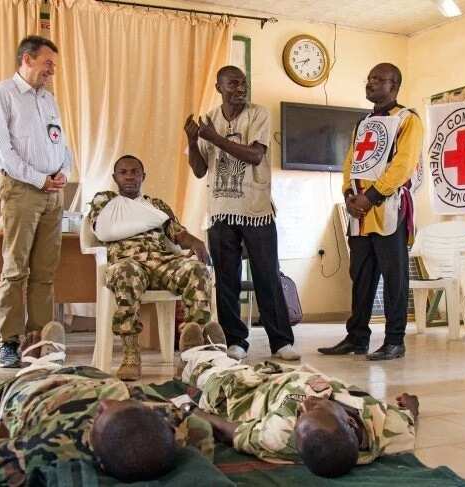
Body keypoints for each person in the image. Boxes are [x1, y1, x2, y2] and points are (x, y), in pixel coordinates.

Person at [0, 322, 214, 486]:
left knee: (33, 373)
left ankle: (39, 359)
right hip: (93, 379)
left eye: (103, 414)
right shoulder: (169, 422)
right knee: (112, 386)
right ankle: (205, 359)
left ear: (94, 453)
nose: (105, 405)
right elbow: (200, 422)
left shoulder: (44, 451)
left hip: (36, 390)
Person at [176, 328, 418, 478]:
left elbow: (227, 431)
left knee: (214, 375)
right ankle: (216, 352)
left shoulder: (279, 437)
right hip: (283, 374)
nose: (305, 405)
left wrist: (192, 410)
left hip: (246, 391)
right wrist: (411, 403)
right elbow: (409, 417)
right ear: (351, 423)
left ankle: (198, 356)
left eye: (301, 415)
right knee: (238, 365)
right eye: (316, 408)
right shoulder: (388, 427)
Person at [184, 65, 298, 361]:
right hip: (221, 213)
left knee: (267, 276)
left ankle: (281, 342)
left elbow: (254, 155)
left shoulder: (258, 114)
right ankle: (236, 340)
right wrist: (192, 139)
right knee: (226, 279)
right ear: (218, 86)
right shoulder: (209, 118)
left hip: (255, 210)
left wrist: (215, 138)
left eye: (243, 83)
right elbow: (199, 170)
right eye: (233, 83)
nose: (240, 88)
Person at [318, 63, 423, 361]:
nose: (371, 83)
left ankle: (394, 340)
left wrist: (373, 195)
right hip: (359, 211)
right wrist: (350, 195)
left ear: (395, 86)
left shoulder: (407, 119)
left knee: (394, 277)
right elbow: (350, 161)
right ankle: (357, 337)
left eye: (379, 79)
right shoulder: (362, 123)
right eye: (369, 78)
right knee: (361, 276)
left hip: (388, 206)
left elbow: (403, 164)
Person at [88, 155, 224, 381]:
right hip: (126, 263)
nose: (130, 176)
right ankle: (131, 352)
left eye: (135, 171)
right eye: (124, 172)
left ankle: (193, 354)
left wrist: (197, 243)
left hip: (162, 261)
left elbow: (177, 233)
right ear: (115, 177)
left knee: (197, 271)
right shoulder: (105, 200)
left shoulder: (157, 206)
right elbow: (103, 230)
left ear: (144, 176)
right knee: (127, 272)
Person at [0, 35, 73, 368]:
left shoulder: (48, 99)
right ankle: (8, 342)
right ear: (26, 59)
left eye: (53, 65)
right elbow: (0, 150)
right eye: (47, 62)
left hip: (53, 193)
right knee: (16, 268)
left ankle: (38, 341)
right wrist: (39, 179)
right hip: (22, 189)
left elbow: (61, 143)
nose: (52, 70)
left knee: (45, 272)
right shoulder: (2, 94)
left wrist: (63, 171)